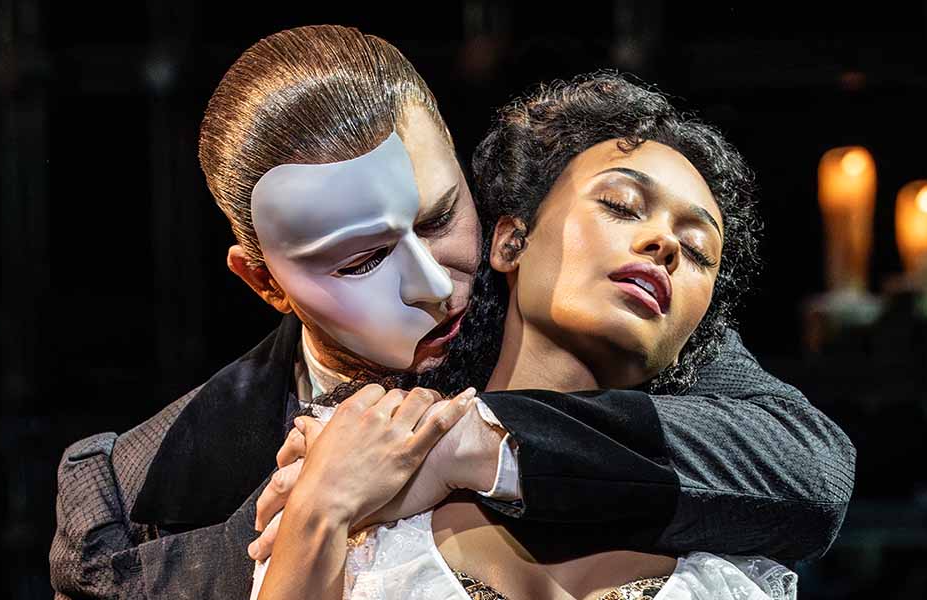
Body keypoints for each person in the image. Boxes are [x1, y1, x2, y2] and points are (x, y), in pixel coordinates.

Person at [49, 26, 854, 600]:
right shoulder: (134, 495)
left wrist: (469, 441)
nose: (433, 283)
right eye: (362, 261)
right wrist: (322, 508)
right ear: (264, 283)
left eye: (440, 218)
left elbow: (805, 464)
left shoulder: (583, 297)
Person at [253, 71, 801, 600]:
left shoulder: (736, 541)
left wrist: (472, 444)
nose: (665, 242)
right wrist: (321, 508)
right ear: (512, 242)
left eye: (699, 249)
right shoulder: (356, 464)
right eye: (620, 205)